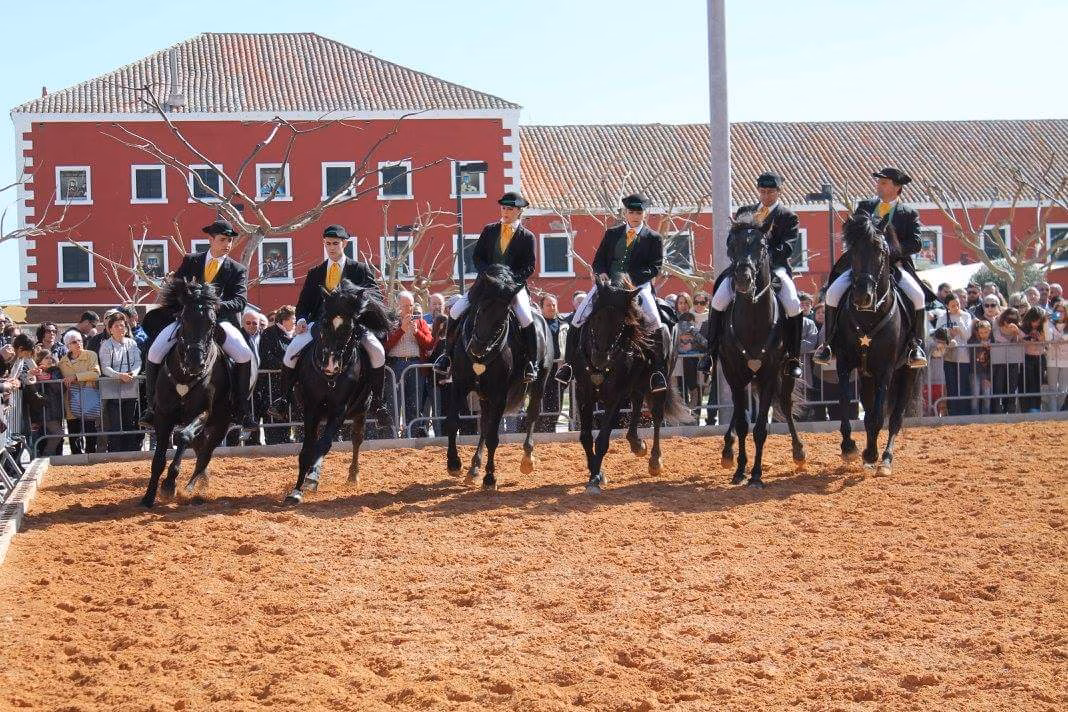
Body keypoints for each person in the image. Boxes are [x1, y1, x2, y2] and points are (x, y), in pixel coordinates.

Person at [140, 219, 255, 430]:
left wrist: (213, 306)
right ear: (210, 239)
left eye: (230, 241)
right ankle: (151, 407)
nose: (227, 244)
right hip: (188, 321)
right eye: (222, 240)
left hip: (219, 321)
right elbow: (176, 291)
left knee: (244, 354)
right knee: (155, 352)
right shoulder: (191, 261)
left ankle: (242, 409)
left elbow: (240, 301)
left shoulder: (237, 269)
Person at [815, 167, 932, 369]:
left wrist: (889, 251)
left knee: (918, 297)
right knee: (833, 293)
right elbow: (851, 233)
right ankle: (830, 344)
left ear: (897, 188)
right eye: (878, 182)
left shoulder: (908, 213)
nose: (878, 186)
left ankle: (916, 346)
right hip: (863, 267)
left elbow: (916, 243)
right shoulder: (865, 207)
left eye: (884, 183)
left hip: (894, 266)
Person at [268, 225, 388, 422]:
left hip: (351, 326)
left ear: (344, 244)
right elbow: (304, 303)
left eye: (335, 244)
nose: (331, 248)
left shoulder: (359, 269)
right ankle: (284, 400)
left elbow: (376, 297)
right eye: (327, 244)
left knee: (377, 351)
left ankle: (378, 402)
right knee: (291, 351)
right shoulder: (315, 272)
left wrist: (358, 306)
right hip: (320, 325)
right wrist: (302, 320)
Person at [555, 193, 668, 392]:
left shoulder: (653, 237)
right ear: (626, 212)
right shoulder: (612, 233)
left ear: (644, 214)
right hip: (609, 286)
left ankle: (657, 372)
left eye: (638, 212)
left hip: (637, 287)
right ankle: (569, 365)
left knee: (655, 321)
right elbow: (598, 261)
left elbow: (655, 267)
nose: (634, 216)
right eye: (631, 212)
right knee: (579, 316)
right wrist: (602, 274)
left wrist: (630, 280)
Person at [705, 171, 805, 379]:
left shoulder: (787, 216)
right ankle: (710, 354)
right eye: (763, 191)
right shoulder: (745, 212)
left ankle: (794, 357)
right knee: (718, 300)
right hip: (745, 268)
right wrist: (744, 259)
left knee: (793, 304)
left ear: (779, 192)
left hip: (774, 270)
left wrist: (762, 260)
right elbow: (731, 243)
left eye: (771, 192)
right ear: (758, 191)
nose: (766, 195)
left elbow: (787, 247)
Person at [434, 192, 539, 382]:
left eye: (510, 209)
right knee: (456, 310)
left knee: (525, 317)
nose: (505, 211)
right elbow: (477, 257)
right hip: (487, 285)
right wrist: (487, 274)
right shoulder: (489, 230)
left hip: (512, 287)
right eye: (503, 208)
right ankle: (447, 357)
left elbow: (530, 266)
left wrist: (511, 280)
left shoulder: (527, 236)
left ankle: (532, 362)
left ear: (518, 212)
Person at [385, 291, 435, 437]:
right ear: (397, 305)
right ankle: (392, 436)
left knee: (414, 403)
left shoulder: (420, 322)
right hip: (395, 366)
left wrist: (416, 332)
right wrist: (401, 330)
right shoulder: (390, 321)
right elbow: (385, 346)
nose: (408, 309)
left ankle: (411, 435)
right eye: (405, 305)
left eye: (411, 305)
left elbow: (429, 344)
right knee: (393, 403)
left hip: (415, 365)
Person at [98, 311, 142, 452]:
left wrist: (132, 374)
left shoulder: (132, 343)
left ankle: (129, 452)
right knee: (115, 424)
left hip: (130, 387)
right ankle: (115, 453)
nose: (120, 328)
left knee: (129, 422)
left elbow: (138, 362)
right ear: (110, 329)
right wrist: (119, 375)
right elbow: (105, 367)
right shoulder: (106, 345)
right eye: (116, 326)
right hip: (112, 390)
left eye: (122, 326)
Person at [59, 329, 101, 454]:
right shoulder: (62, 362)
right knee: (73, 430)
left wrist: (75, 377)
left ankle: (90, 454)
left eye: (79, 340)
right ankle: (76, 457)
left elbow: (96, 373)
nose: (78, 343)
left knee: (90, 429)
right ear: (68, 345)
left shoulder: (90, 355)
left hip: (88, 396)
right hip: (71, 398)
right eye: (73, 342)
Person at [931, 293, 973, 415]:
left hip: (963, 356)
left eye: (958, 304)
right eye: (953, 305)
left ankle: (965, 412)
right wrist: (948, 333)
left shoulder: (966, 315)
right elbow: (937, 334)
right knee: (951, 384)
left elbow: (967, 335)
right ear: (947, 306)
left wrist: (959, 326)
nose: (956, 307)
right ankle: (953, 411)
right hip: (948, 356)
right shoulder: (943, 317)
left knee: (964, 384)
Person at [259, 305, 296, 445]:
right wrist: (287, 367)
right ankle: (275, 444)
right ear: (284, 319)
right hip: (273, 384)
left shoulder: (296, 335)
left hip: (291, 384)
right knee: (275, 416)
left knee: (292, 414)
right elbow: (266, 357)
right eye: (293, 318)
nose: (295, 321)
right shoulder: (269, 333)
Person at [537, 293, 564, 432]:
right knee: (541, 401)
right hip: (542, 368)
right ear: (541, 307)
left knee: (557, 402)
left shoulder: (563, 323)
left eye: (554, 304)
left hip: (559, 369)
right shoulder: (537, 323)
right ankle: (538, 429)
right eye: (548, 305)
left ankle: (551, 428)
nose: (552, 307)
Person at [991, 308, 1025, 413]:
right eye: (1008, 320)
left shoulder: (1018, 325)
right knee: (998, 385)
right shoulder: (996, 321)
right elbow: (997, 336)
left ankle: (1010, 410)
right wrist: (1007, 332)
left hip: (1013, 359)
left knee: (1012, 385)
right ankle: (997, 410)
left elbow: (1022, 338)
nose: (1009, 322)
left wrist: (1016, 332)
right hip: (999, 359)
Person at [1020, 306, 1049, 412]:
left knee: (1038, 384)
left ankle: (1036, 408)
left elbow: (1048, 343)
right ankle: (1026, 409)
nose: (1036, 323)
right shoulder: (1022, 328)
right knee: (1027, 384)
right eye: (1034, 320)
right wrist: (1027, 340)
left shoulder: (1044, 329)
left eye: (1039, 321)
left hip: (1040, 358)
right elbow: (1019, 341)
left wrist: (1041, 339)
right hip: (1026, 358)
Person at [1046, 300, 1068, 411]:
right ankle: (1052, 414)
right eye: (1057, 311)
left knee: (1063, 390)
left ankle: (1059, 412)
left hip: (1066, 361)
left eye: (1062, 311)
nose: (1060, 314)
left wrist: (1060, 338)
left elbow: (1065, 338)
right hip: (1052, 359)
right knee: (1052, 389)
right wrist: (1046, 322)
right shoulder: (1049, 324)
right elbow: (1048, 339)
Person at [969, 320, 994, 415]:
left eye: (986, 332)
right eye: (981, 332)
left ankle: (986, 417)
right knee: (975, 395)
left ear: (990, 330)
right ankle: (975, 417)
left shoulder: (993, 342)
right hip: (974, 372)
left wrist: (989, 378)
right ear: (978, 332)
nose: (984, 334)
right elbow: (971, 347)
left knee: (987, 396)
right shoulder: (973, 341)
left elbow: (994, 362)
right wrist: (980, 344)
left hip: (987, 373)